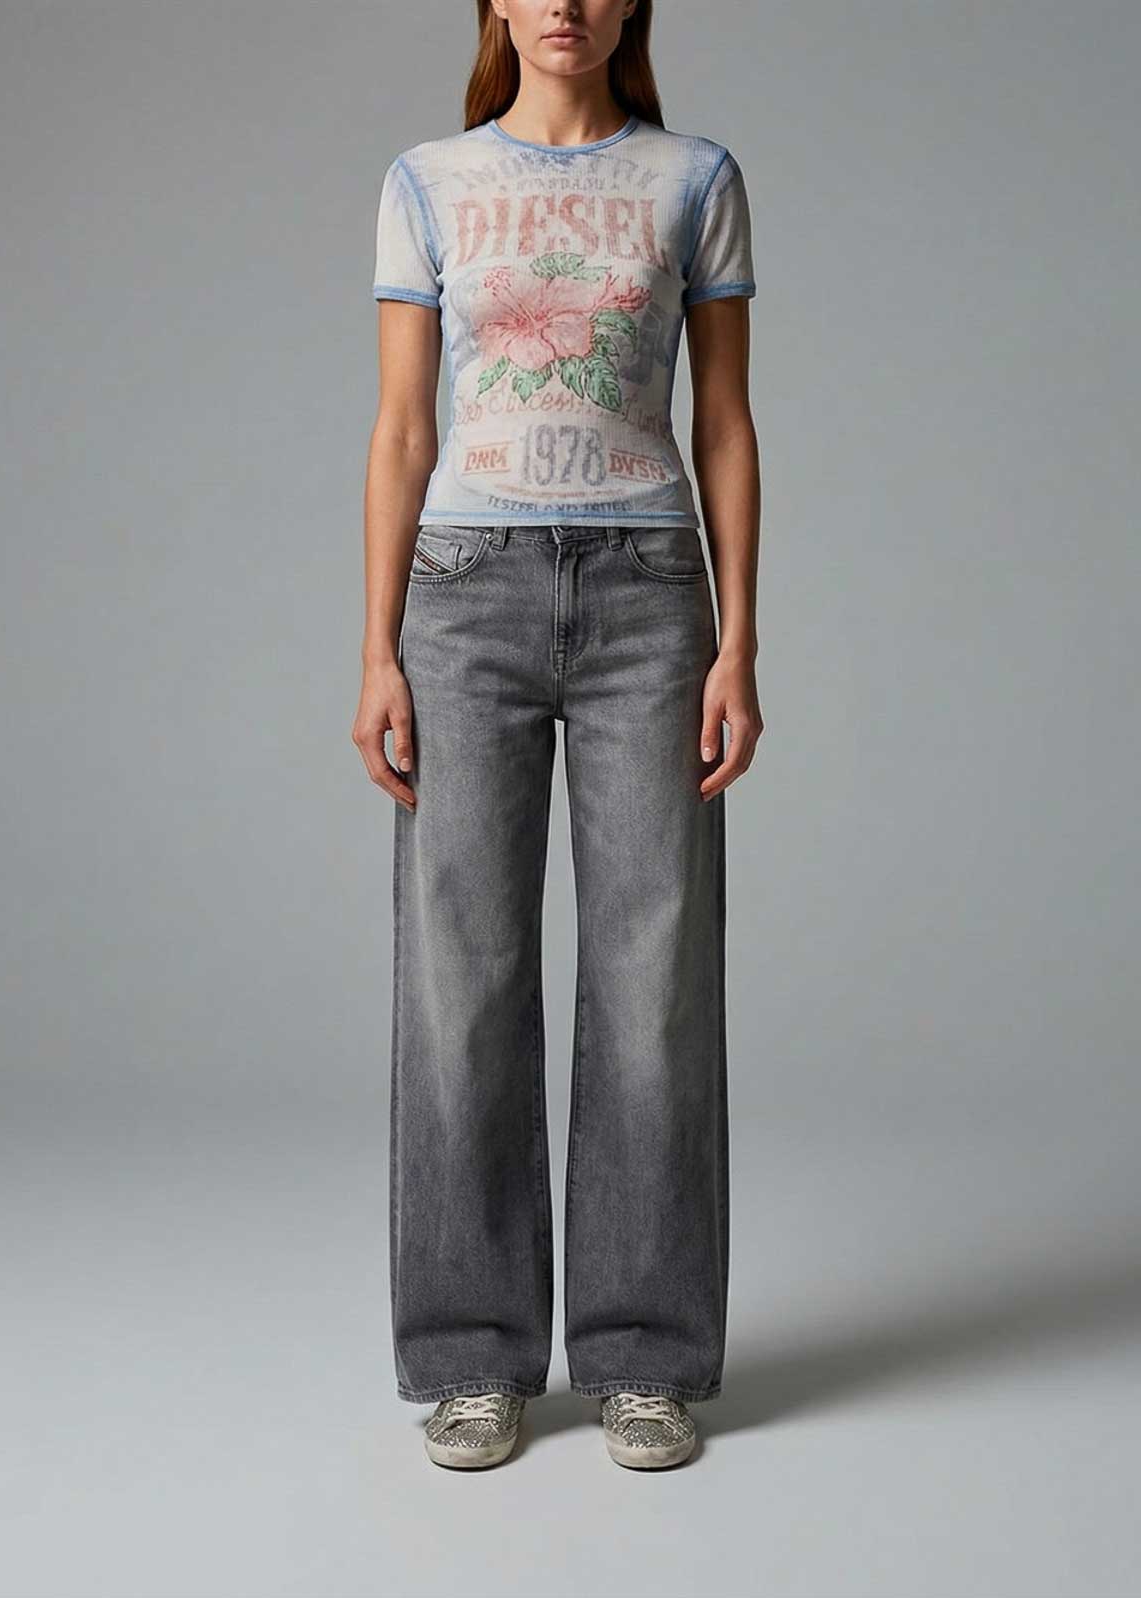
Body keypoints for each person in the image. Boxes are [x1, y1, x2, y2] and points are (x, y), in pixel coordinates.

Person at [352, 0, 763, 1471]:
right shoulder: (428, 181)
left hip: (651, 595)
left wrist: (738, 640)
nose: (567, 4)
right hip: (466, 597)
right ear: (496, 6)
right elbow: (404, 429)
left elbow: (725, 422)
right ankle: (473, 1356)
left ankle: (645, 1356)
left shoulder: (695, 178)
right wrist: (378, 647)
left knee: (655, 979)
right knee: (461, 973)